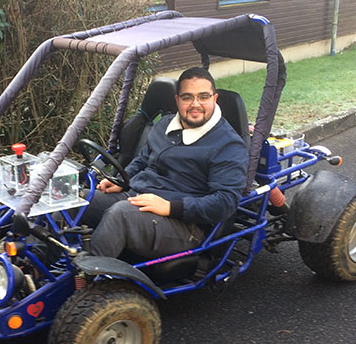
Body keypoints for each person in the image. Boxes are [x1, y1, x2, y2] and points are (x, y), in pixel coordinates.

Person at [82, 67, 248, 258]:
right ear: (177, 100)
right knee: (76, 200)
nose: (195, 104)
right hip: (138, 197)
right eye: (187, 97)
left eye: (203, 97)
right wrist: (121, 180)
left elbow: (225, 202)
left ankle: (84, 282)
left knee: (121, 215)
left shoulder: (228, 144)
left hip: (185, 225)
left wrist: (170, 207)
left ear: (214, 99)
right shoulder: (165, 124)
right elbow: (143, 159)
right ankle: (42, 269)